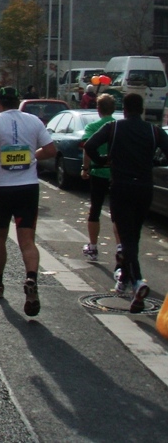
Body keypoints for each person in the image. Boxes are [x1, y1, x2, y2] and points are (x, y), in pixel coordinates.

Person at [0, 86, 57, 317]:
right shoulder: (34, 121)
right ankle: (31, 278)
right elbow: (51, 149)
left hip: (2, 188)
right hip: (28, 187)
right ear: (18, 102)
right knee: (27, 239)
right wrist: (32, 156)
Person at [84, 92, 168, 313]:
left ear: (126, 109)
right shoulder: (154, 131)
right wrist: (154, 160)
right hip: (144, 187)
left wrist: (103, 160)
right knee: (134, 236)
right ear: (141, 109)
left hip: (121, 186)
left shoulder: (113, 128)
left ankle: (137, 281)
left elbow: (90, 145)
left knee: (126, 236)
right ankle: (126, 277)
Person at [80, 94, 119, 262]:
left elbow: (87, 148)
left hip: (97, 172)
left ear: (98, 109)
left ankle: (93, 247)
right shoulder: (118, 126)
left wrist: (85, 168)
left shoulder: (93, 126)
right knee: (117, 213)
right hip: (116, 173)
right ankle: (119, 247)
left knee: (95, 210)